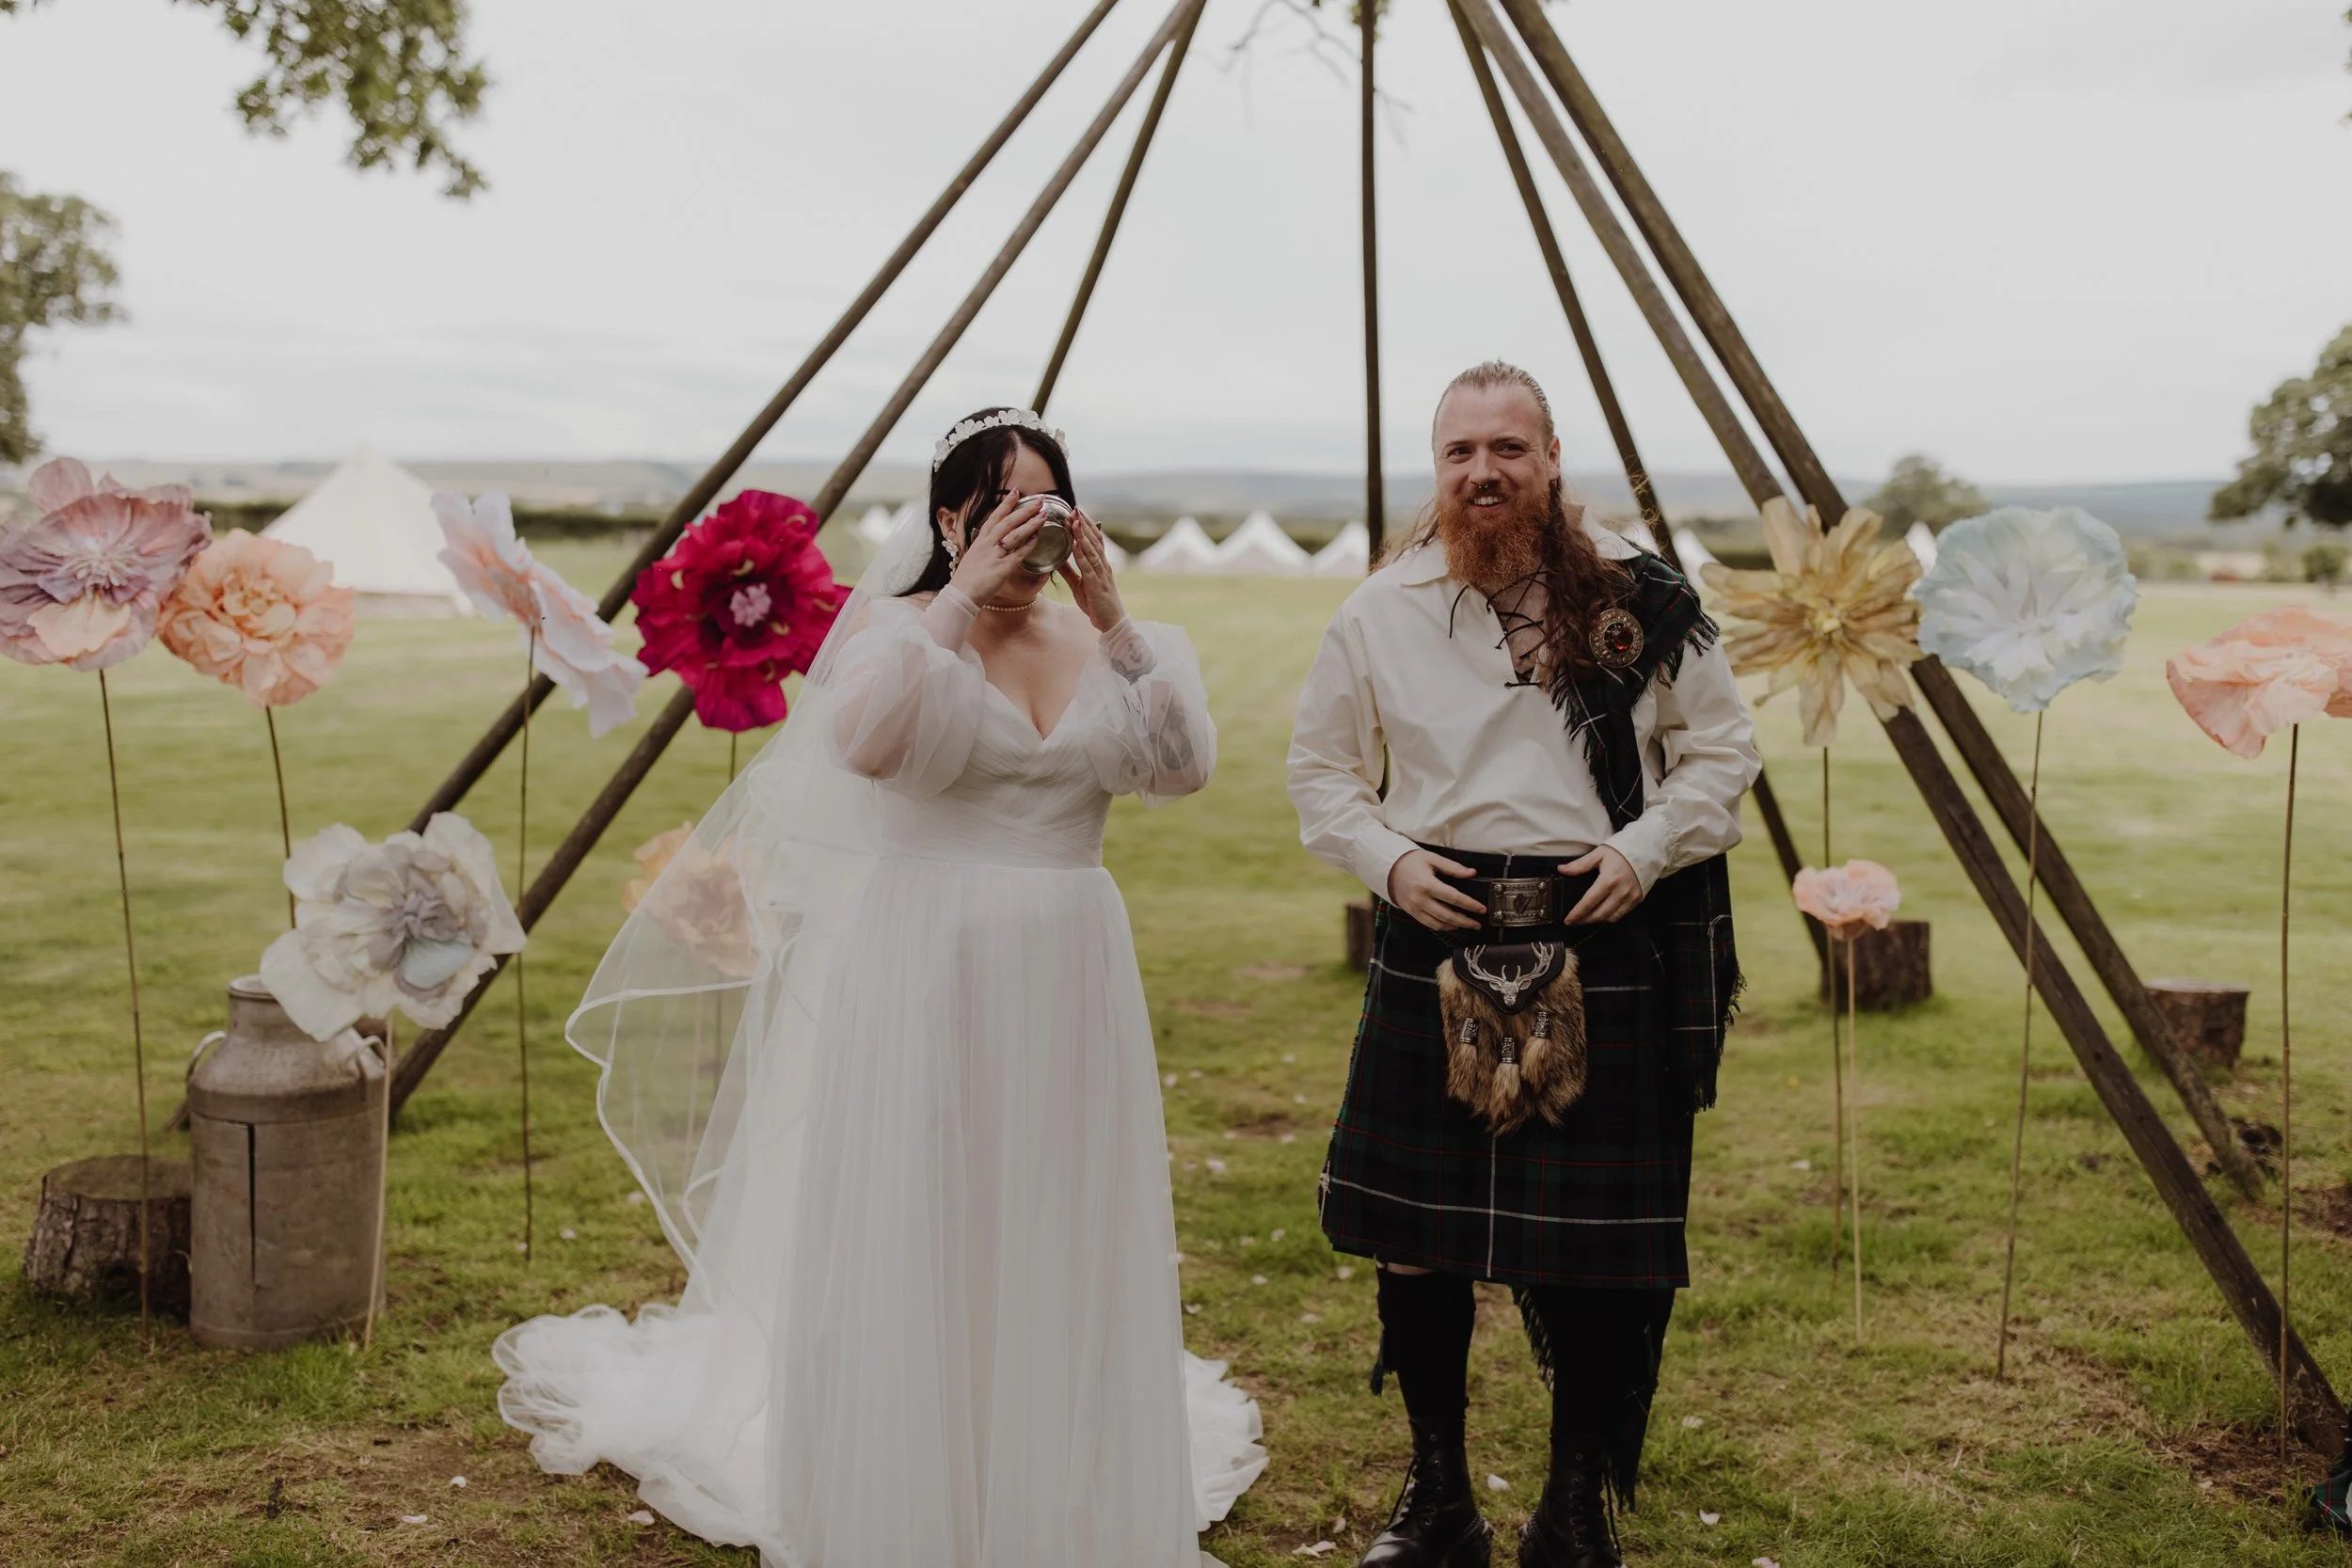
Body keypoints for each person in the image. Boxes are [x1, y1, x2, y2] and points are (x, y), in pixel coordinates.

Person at [494, 407, 1266, 1566]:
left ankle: (1054, 1472)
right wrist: (960, 603)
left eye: (1048, 507)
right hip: (927, 961)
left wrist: (1109, 616)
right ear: (952, 518)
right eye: (1003, 507)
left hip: (1071, 969)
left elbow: (1183, 768)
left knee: (1056, 1204)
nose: (1029, 532)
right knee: (930, 1205)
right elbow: (858, 742)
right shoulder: (901, 630)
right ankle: (914, 1485)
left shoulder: (1112, 636)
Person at [1287, 363, 1758, 1568]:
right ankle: (1439, 1495)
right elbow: (1323, 777)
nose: (1482, 473)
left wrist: (1644, 850)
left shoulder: (1642, 600)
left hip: (1598, 926)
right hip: (1436, 926)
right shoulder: (1378, 610)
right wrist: (1388, 861)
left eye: (1507, 448)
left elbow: (1720, 753)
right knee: (1416, 1234)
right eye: (1458, 452)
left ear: (1552, 458)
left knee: (1593, 1249)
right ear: (1434, 468)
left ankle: (1570, 1508)